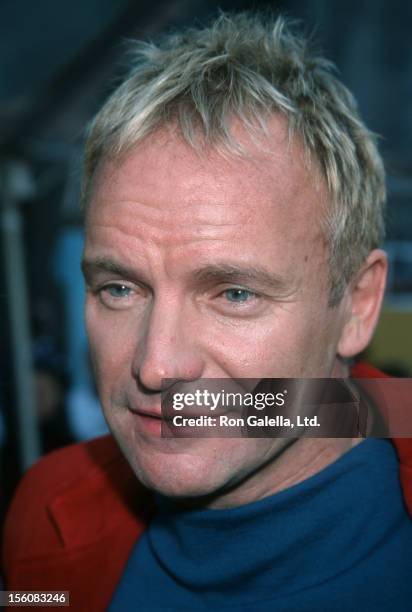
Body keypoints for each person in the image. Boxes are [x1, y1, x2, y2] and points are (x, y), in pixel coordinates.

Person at [3, 13, 412, 611]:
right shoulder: (44, 507)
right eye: (120, 288)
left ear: (357, 304)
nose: (157, 366)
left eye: (235, 295)